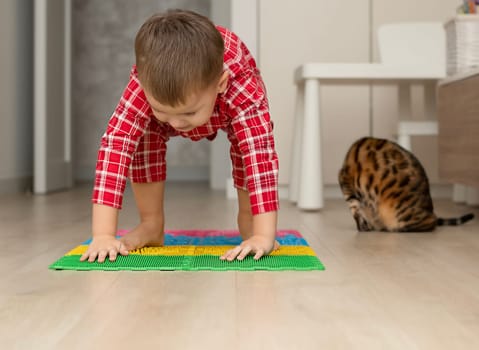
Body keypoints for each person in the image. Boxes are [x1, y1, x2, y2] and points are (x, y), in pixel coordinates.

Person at [80, 9, 279, 264]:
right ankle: (151, 225)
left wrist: (264, 235)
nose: (175, 123)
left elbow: (259, 157)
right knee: (143, 132)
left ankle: (251, 226)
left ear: (220, 84)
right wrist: (103, 235)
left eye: (188, 112)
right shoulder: (142, 85)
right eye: (162, 110)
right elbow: (115, 146)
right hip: (173, 102)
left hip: (232, 105)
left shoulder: (242, 89)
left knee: (246, 150)